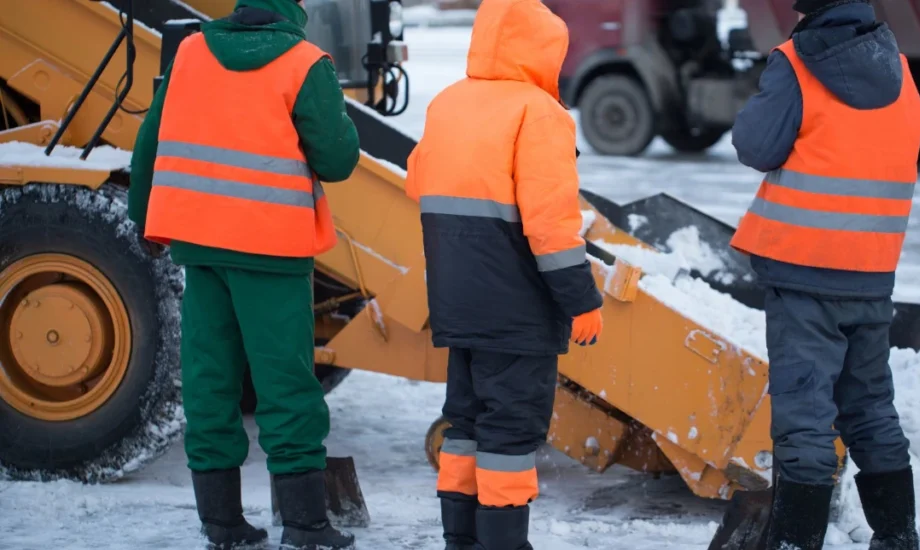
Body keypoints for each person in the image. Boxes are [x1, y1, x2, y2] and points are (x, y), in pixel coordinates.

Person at [127, 0, 360, 548]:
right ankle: (305, 525)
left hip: (199, 245)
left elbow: (150, 144)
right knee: (285, 383)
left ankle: (222, 523)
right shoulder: (305, 63)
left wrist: (147, 220)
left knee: (209, 380)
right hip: (271, 250)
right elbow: (339, 160)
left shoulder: (191, 52)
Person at [405, 1, 604, 548]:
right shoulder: (537, 112)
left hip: (455, 299)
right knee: (510, 432)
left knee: (465, 424)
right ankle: (505, 542)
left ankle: (461, 539)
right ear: (544, 50)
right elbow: (551, 226)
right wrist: (580, 300)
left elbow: (417, 185)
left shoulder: (446, 103)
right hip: (516, 309)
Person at [729, 1, 920, 549]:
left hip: (804, 272)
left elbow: (755, 145)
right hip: (871, 273)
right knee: (870, 409)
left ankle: (794, 543)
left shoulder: (795, 62)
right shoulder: (900, 70)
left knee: (805, 419)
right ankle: (898, 536)